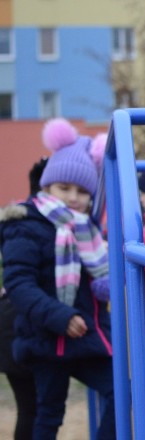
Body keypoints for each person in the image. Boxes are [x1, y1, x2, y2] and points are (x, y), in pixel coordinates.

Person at [0, 118, 115, 439]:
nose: (73, 198)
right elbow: (20, 284)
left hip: (86, 339)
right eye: (64, 188)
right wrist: (60, 317)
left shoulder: (89, 231)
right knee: (48, 413)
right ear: (47, 187)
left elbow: (98, 281)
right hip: (46, 338)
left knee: (122, 394)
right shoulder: (25, 225)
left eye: (82, 191)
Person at [0, 158, 45, 440]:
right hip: (15, 323)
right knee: (32, 407)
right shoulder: (32, 224)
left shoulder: (21, 221)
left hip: (13, 320)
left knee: (32, 407)